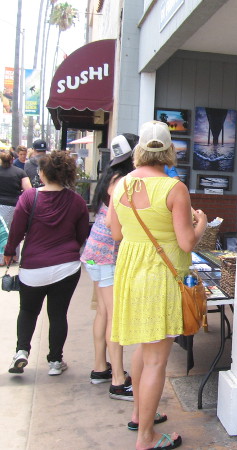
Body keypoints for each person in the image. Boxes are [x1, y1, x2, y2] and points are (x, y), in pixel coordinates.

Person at [110, 121, 207, 450]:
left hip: (130, 275)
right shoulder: (173, 188)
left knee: (144, 348)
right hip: (160, 278)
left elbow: (117, 233)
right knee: (155, 360)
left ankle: (140, 415)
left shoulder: (121, 184)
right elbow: (187, 242)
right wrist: (201, 223)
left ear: (139, 150)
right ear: (169, 151)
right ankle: (146, 438)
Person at [4, 151, 89, 376]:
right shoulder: (77, 201)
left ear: (42, 173)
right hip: (66, 267)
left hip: (33, 267)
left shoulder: (29, 197)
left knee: (28, 310)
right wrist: (69, 249)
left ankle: (21, 351)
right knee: (58, 314)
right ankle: (55, 361)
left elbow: (17, 230)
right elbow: (82, 235)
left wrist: (9, 251)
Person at [81, 133, 138, 400]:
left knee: (103, 313)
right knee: (115, 319)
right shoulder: (124, 181)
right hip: (107, 255)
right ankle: (117, 380)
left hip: (94, 252)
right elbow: (113, 223)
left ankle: (100, 367)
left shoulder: (111, 176)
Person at [0, 151, 31, 265]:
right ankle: (14, 256)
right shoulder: (20, 172)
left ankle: (1, 258)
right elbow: (28, 190)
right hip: (15, 205)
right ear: (12, 159)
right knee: (15, 230)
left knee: (2, 232)